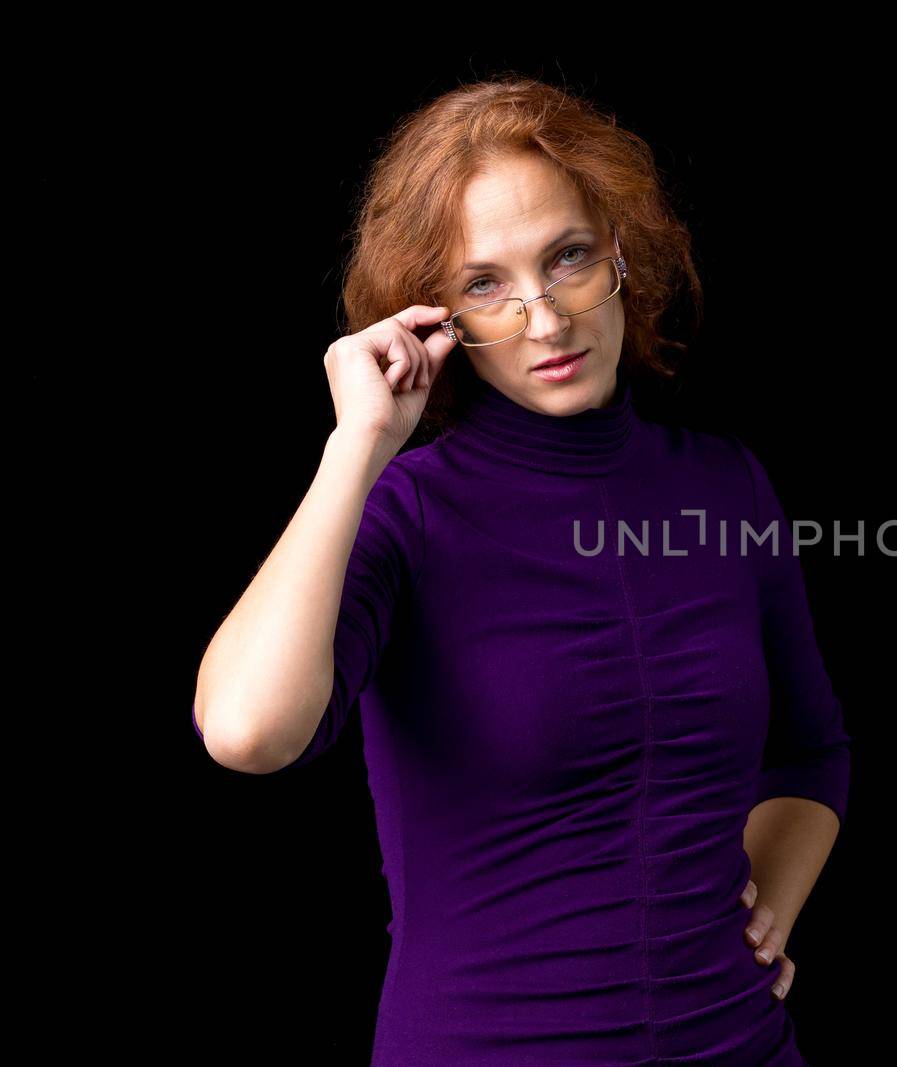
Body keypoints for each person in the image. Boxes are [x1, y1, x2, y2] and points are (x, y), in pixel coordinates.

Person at [189, 75, 850, 1066]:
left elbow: (808, 748)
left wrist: (769, 914)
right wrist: (357, 446)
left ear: (623, 251)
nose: (543, 321)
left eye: (569, 257)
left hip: (741, 1044)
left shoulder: (725, 484)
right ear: (435, 313)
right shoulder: (405, 512)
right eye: (485, 284)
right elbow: (246, 730)